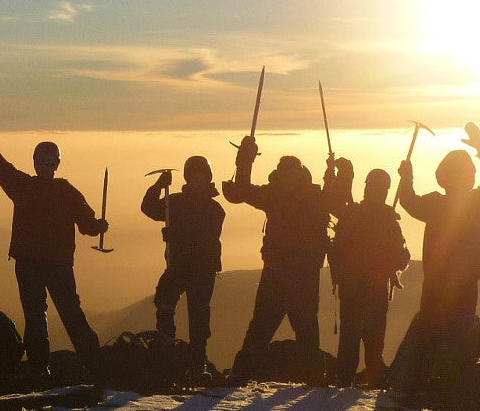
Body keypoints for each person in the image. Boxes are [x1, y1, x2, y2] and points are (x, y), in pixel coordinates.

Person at [0, 104, 107, 376]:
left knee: (65, 313)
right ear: (35, 163)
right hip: (37, 264)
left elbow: (87, 225)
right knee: (38, 316)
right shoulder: (28, 186)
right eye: (41, 161)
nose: (44, 166)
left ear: (56, 164)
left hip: (49, 264)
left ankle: (86, 364)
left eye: (48, 162)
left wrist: (98, 226)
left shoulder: (47, 190)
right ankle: (48, 366)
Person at [388, 122, 480, 391]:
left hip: (437, 284)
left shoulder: (436, 203)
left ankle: (420, 387)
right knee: (457, 337)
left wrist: (407, 177)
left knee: (431, 334)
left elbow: (408, 200)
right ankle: (453, 388)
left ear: (442, 177)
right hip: (462, 284)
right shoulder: (478, 201)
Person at [223, 133, 338, 383]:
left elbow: (242, 190)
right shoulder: (306, 197)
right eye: (286, 175)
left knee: (284, 328)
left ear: (298, 176)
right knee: (282, 328)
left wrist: (246, 158)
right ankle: (313, 377)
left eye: (292, 175)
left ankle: (242, 375)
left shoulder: (274, 195)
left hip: (287, 273)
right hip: (294, 273)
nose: (288, 179)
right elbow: (335, 200)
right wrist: (245, 158)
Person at [329, 167, 410, 387]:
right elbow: (402, 257)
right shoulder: (388, 220)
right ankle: (372, 381)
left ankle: (344, 381)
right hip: (374, 289)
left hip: (353, 287)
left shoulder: (352, 214)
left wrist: (342, 178)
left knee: (350, 339)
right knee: (373, 341)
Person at [140, 155, 225, 365]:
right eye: (193, 177)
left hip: (202, 268)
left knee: (198, 313)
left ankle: (197, 358)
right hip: (179, 265)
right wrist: (158, 186)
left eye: (201, 176)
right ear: (187, 178)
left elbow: (206, 238)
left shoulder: (215, 210)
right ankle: (167, 345)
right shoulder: (174, 202)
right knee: (164, 301)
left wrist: (175, 235)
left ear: (208, 178)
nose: (197, 181)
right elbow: (149, 208)